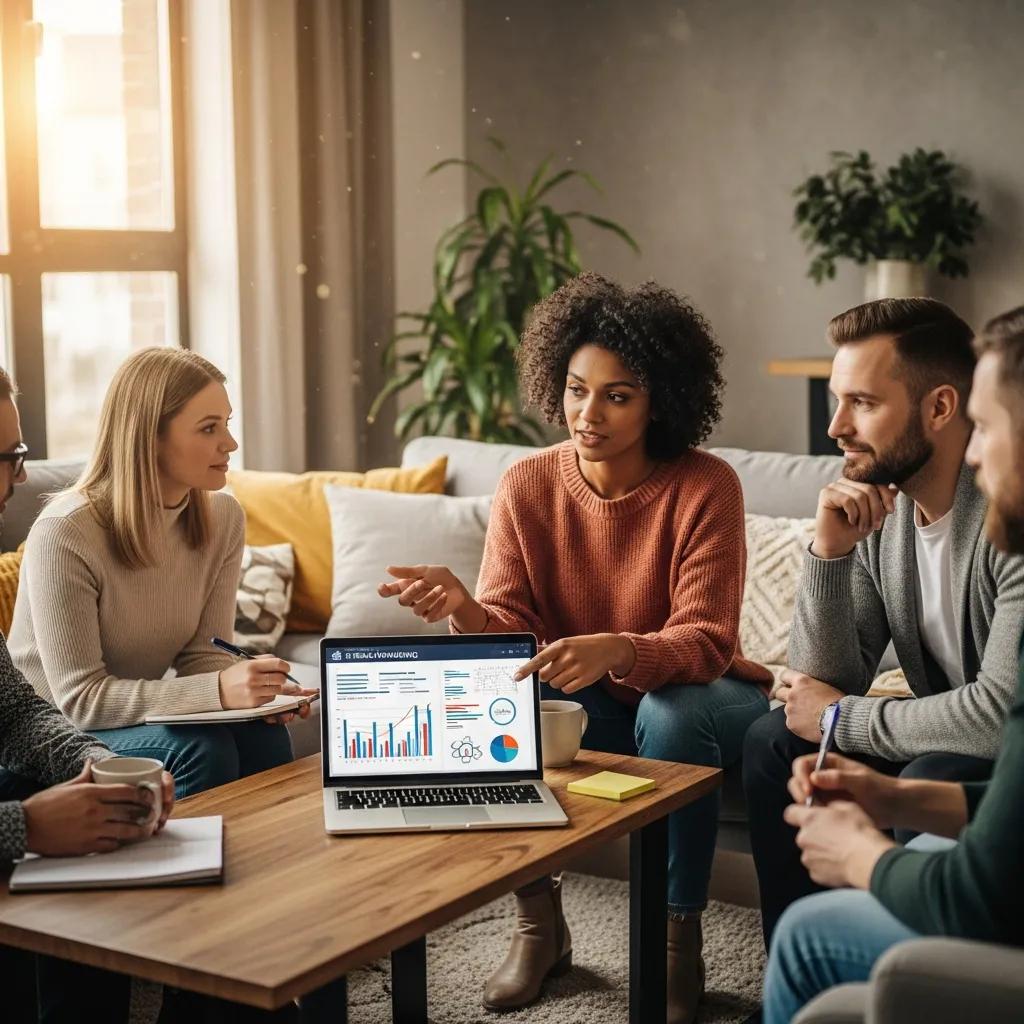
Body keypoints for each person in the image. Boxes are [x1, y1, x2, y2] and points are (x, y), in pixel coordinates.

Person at [378, 273, 772, 1024]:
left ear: (662, 400)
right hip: (587, 703)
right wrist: (466, 609)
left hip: (699, 696)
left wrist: (619, 649)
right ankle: (539, 922)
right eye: (576, 388)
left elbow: (707, 640)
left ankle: (676, 938)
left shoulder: (706, 486)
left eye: (617, 395)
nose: (588, 414)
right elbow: (510, 633)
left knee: (674, 711)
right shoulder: (526, 482)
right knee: (492, 689)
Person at [762, 305, 1024, 1023]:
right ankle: (788, 977)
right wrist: (829, 554)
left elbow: (996, 716)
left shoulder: (1007, 520)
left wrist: (845, 719)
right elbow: (820, 682)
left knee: (930, 766)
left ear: (943, 407)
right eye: (835, 400)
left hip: (975, 757)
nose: (835, 427)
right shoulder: (885, 518)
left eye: (862, 403)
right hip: (945, 748)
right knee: (774, 741)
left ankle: (904, 962)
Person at [7, 348, 315, 799]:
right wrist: (217, 691)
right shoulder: (66, 531)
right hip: (50, 736)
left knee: (262, 734)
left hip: (115, 720)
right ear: (149, 437)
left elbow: (203, 655)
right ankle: (178, 867)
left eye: (226, 424)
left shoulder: (223, 517)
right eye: (209, 428)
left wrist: (252, 696)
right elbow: (81, 700)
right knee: (198, 751)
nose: (229, 444)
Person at [0, 365, 177, 1023]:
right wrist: (27, 827)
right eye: (10, 457)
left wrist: (90, 763)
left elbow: (13, 709)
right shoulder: (66, 529)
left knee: (98, 833)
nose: (21, 478)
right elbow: (80, 690)